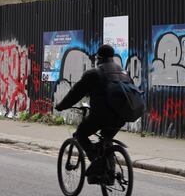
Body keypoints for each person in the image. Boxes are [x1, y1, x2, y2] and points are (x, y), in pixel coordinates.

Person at [55, 44, 132, 182]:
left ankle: (95, 160)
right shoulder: (123, 72)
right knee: (106, 141)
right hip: (121, 117)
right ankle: (108, 175)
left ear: (99, 58)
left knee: (81, 134)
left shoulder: (94, 74)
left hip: (101, 117)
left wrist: (61, 106)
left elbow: (75, 94)